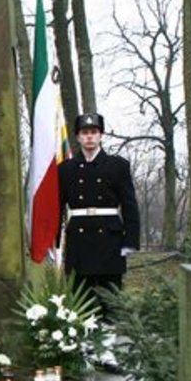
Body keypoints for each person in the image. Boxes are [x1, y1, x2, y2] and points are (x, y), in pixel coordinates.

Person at [58, 113, 140, 319]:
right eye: (84, 133)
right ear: (77, 137)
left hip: (110, 239)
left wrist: (130, 241)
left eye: (94, 132)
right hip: (79, 238)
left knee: (111, 301)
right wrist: (54, 241)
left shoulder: (117, 166)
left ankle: (112, 345)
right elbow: (58, 206)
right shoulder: (66, 169)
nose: (89, 137)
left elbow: (129, 205)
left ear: (101, 135)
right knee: (80, 300)